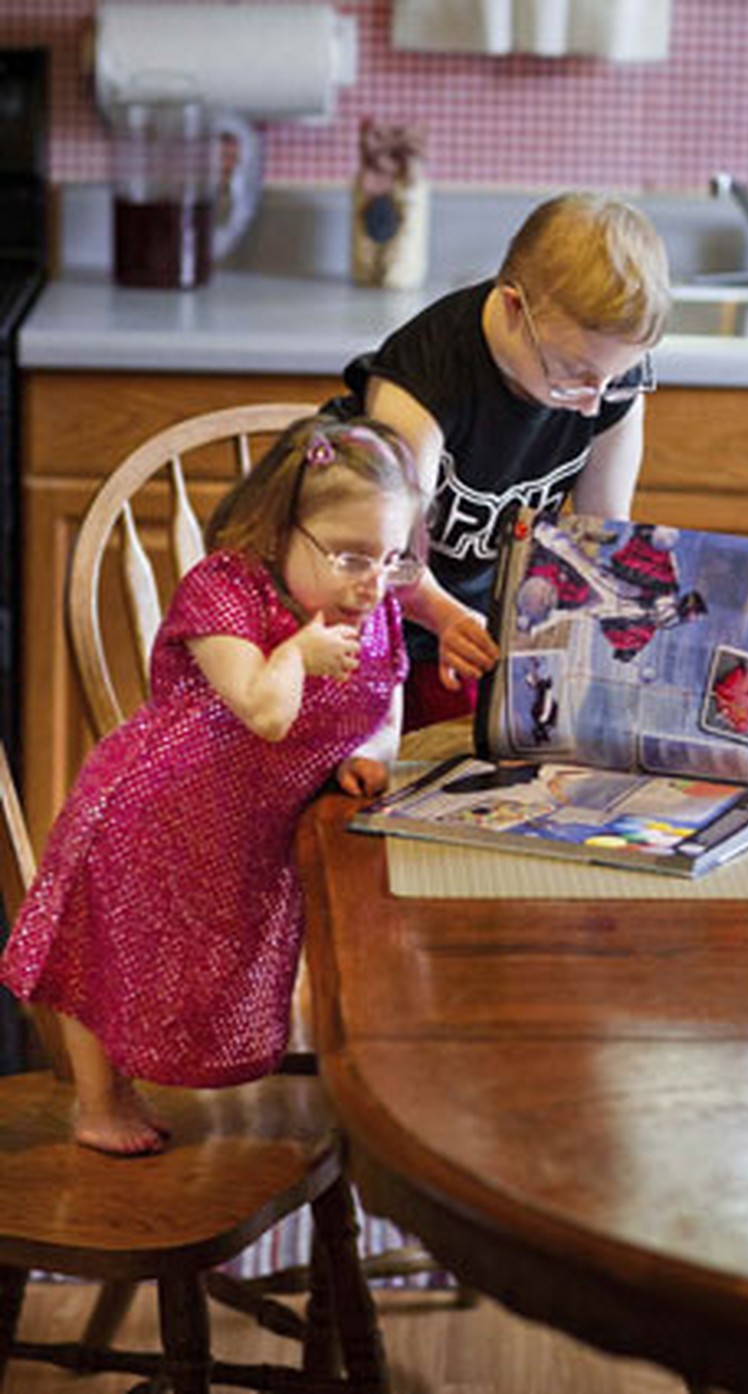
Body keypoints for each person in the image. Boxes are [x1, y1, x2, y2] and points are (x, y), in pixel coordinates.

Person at [0, 415, 429, 1157]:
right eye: (353, 557)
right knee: (100, 957)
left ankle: (142, 1089)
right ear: (280, 531)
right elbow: (265, 712)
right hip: (149, 812)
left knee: (210, 981)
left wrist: (372, 752)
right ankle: (99, 1104)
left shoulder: (374, 607)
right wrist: (297, 650)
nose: (373, 582)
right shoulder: (226, 591)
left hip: (247, 835)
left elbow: (387, 695)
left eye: (391, 559)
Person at [326, 190, 672, 729]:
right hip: (366, 613)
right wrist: (446, 618)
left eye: (617, 377)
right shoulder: (423, 381)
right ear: (513, 307)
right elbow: (386, 556)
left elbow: (600, 531)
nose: (594, 400)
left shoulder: (605, 381)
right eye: (574, 373)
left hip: (482, 615)